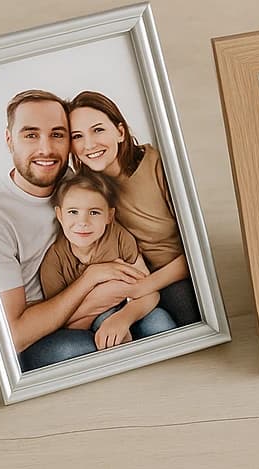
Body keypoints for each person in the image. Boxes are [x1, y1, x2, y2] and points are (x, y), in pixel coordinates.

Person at [0, 89, 148, 372]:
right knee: (113, 348)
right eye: (31, 135)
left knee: (161, 322)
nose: (46, 149)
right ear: (9, 140)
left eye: (57, 134)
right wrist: (90, 280)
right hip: (40, 335)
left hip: (102, 304)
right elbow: (14, 336)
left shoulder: (74, 184)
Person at [67, 91, 201, 328]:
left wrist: (144, 287)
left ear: (120, 132)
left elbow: (198, 248)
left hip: (178, 273)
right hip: (130, 282)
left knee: (186, 302)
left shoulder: (157, 165)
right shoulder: (85, 192)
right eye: (77, 136)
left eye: (98, 130)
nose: (89, 144)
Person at [39, 173, 175, 350]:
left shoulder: (119, 237)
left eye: (94, 212)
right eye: (73, 212)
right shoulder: (54, 261)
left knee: (159, 321)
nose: (83, 222)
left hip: (131, 309)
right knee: (113, 340)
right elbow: (60, 320)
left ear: (109, 216)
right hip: (88, 323)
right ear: (59, 214)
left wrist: (122, 318)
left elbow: (149, 292)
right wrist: (100, 312)